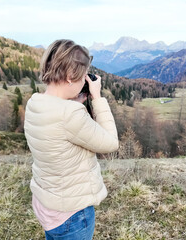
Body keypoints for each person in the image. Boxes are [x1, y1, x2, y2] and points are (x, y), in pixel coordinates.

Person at [24, 39, 119, 239]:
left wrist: (72, 102)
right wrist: (97, 98)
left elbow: (56, 130)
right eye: (83, 75)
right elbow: (111, 142)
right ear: (69, 76)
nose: (85, 79)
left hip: (46, 203)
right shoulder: (70, 114)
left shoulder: (35, 103)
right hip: (71, 213)